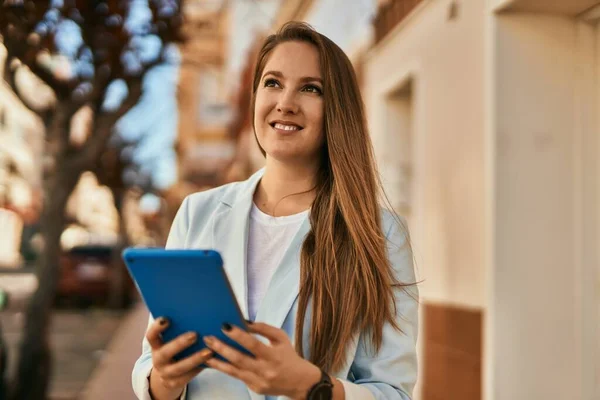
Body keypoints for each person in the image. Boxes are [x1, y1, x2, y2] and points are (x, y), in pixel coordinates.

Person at [132, 21, 418, 400]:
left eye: (310, 88)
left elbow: (394, 393)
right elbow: (151, 366)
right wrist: (165, 379)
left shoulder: (379, 233)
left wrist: (311, 386)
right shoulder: (196, 213)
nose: (285, 102)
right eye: (272, 83)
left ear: (338, 110)